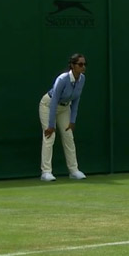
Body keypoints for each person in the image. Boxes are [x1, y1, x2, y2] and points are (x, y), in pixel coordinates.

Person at [38, 54, 88, 182]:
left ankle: (74, 170)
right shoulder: (62, 79)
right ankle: (46, 172)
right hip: (48, 105)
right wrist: (51, 125)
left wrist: (72, 121)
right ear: (72, 65)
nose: (83, 67)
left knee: (68, 136)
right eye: (80, 64)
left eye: (84, 64)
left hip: (65, 108)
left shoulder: (82, 79)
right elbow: (54, 101)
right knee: (50, 136)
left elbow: (76, 100)